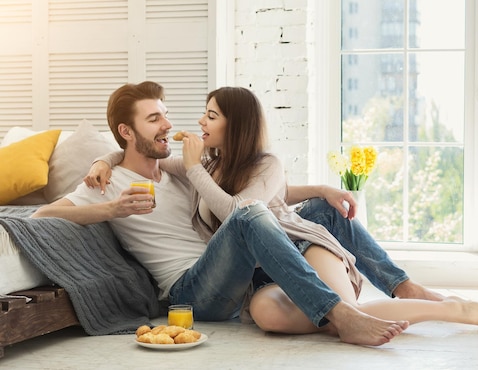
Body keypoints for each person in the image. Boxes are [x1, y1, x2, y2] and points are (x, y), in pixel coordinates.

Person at [86, 85, 478, 334]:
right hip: (262, 269)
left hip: (293, 246)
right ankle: (370, 307)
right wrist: (104, 159)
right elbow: (141, 154)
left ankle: (421, 299)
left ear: (234, 124)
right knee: (268, 309)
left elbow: (244, 208)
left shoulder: (253, 164)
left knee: (314, 230)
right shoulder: (206, 165)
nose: (198, 122)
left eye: (210, 115)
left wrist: (195, 171)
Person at [31, 81, 409, 347]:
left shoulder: (181, 170)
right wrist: (111, 207)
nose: (168, 125)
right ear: (126, 132)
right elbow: (42, 216)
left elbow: (255, 193)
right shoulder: (107, 183)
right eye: (154, 120)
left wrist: (323, 189)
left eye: (165, 115)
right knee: (248, 215)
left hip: (232, 276)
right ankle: (341, 315)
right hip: (189, 293)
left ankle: (402, 285)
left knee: (318, 209)